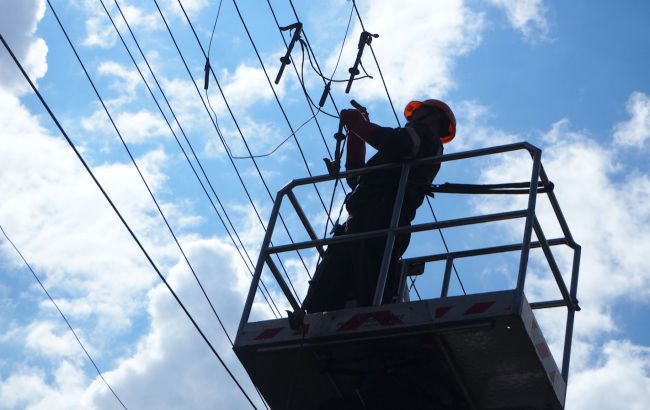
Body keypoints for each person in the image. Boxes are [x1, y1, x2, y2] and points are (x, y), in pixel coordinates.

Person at [302, 99, 456, 314]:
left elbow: (397, 142)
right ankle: (312, 317)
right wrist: (356, 134)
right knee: (331, 278)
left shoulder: (426, 136)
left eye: (419, 111)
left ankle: (370, 315)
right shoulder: (403, 152)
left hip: (383, 216)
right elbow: (356, 176)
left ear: (434, 116)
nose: (412, 117)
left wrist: (361, 126)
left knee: (369, 278)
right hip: (362, 219)